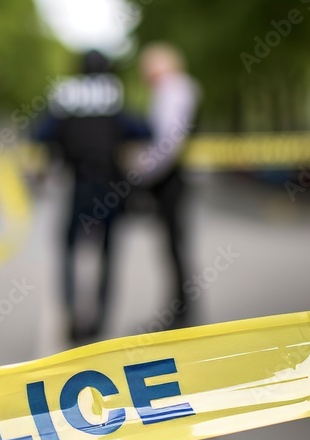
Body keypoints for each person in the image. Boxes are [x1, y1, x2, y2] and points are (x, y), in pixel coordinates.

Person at [34, 50, 150, 342]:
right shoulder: (113, 97)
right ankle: (100, 321)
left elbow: (38, 133)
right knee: (109, 253)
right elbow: (143, 129)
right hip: (112, 186)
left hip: (79, 185)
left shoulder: (67, 99)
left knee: (69, 250)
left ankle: (72, 316)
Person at [138, 43, 200, 328]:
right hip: (171, 175)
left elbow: (167, 142)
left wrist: (142, 171)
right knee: (174, 245)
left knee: (173, 246)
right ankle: (181, 308)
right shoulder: (176, 89)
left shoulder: (171, 90)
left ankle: (181, 312)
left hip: (169, 178)